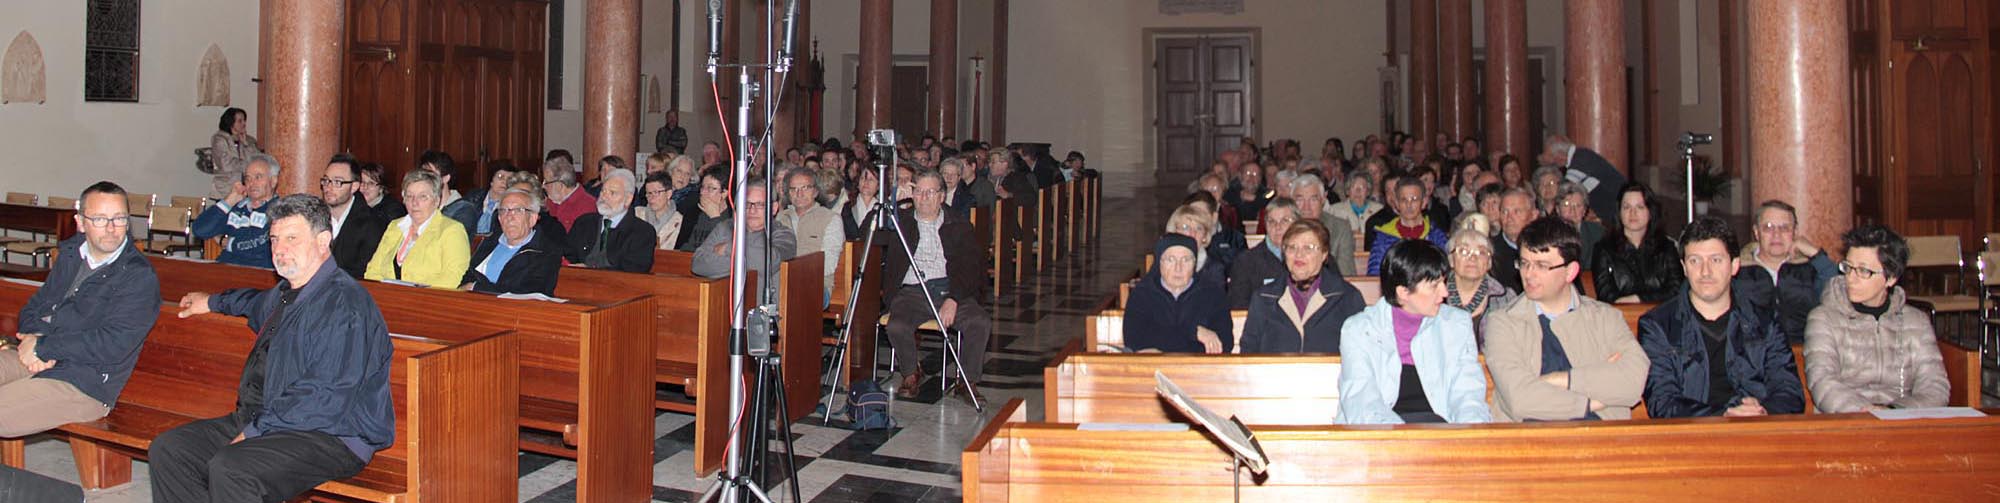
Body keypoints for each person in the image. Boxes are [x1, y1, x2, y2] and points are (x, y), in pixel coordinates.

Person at [155, 194, 394, 502]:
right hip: (273, 418)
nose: (279, 249)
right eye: (274, 239)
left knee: (233, 468)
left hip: (333, 434)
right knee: (171, 450)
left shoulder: (344, 305)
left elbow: (324, 396)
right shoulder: (286, 292)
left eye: (292, 238)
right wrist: (212, 301)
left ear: (323, 241)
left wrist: (255, 431)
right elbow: (252, 302)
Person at [4, 181, 159, 439]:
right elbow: (36, 307)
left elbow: (112, 344)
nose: (111, 228)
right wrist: (36, 339)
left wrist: (45, 347)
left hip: (85, 382)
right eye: (99, 219)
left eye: (119, 218)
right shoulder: (71, 255)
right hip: (46, 356)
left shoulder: (137, 276)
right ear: (81, 222)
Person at [1484, 217, 1648, 422]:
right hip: (1530, 437)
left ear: (1570, 272)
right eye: (1524, 263)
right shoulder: (1503, 322)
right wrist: (1589, 403)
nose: (1528, 274)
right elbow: (1520, 400)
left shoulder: (1604, 318)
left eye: (1541, 265)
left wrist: (1562, 379)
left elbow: (1634, 380)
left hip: (1600, 434)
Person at [1639, 216, 1804, 418]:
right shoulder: (1658, 325)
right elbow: (1662, 402)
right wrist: (1725, 414)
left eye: (1716, 260)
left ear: (1734, 265)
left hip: (1757, 427)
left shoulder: (1765, 322)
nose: (1705, 272)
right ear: (1684, 268)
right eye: (1695, 261)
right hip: (1692, 433)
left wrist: (1762, 411)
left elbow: (1790, 392)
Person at [1336, 240, 1492, 424]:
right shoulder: (1359, 329)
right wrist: (1405, 437)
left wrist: (1468, 433)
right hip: (1382, 433)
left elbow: (1468, 394)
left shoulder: (1456, 324)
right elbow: (1362, 401)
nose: (1445, 292)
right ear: (1403, 292)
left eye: (1443, 282)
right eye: (1434, 285)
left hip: (1442, 430)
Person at [1803, 225, 1949, 413]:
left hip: (1903, 416)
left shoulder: (1915, 321)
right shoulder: (1823, 318)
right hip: (1848, 416)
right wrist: (1866, 410)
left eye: (1864, 271)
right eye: (1848, 267)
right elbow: (1823, 382)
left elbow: (1935, 385)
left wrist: (1894, 411)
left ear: (1891, 278)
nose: (1851, 278)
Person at [878, 171, 993, 404]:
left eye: (930, 192)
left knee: (979, 322)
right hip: (912, 291)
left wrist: (954, 298)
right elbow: (869, 233)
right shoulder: (901, 221)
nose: (923, 197)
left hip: (949, 288)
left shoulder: (958, 224)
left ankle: (967, 381)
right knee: (897, 326)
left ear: (942, 196)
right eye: (919, 191)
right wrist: (890, 202)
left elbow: (970, 268)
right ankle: (911, 373)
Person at [1239, 220, 1367, 353]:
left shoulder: (1347, 297)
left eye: (1308, 248)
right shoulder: (1264, 297)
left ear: (1324, 254)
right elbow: (1248, 352)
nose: (1299, 255)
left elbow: (1363, 351)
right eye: (1292, 247)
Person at [1732, 200, 1840, 344]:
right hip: (1752, 352)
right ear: (1756, 232)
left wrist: (1815, 254)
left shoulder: (1810, 270)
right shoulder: (1736, 271)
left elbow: (1839, 291)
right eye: (1768, 227)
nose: (1776, 234)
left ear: (1795, 232)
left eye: (1784, 228)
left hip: (1804, 351)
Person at [1123, 235, 1233, 353]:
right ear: (1159, 262)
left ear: (1194, 263)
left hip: (1198, 364)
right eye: (1171, 259)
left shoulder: (1212, 294)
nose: (1178, 268)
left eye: (1186, 260)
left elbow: (1224, 342)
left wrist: (1162, 342)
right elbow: (1135, 340)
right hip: (1153, 364)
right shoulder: (1142, 294)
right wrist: (1194, 333)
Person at [364, 169, 472, 289]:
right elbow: (372, 271)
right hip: (387, 297)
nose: (414, 202)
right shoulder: (395, 226)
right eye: (409, 196)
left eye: (423, 197)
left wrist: (413, 296)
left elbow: (451, 279)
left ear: (436, 200)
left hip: (429, 299)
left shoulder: (452, 230)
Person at [692, 180, 796, 301]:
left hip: (761, 308)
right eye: (747, 204)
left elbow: (767, 262)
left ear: (773, 208)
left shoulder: (783, 235)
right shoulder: (725, 227)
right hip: (723, 304)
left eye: (760, 204)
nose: (752, 210)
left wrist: (729, 248)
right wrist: (747, 265)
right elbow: (698, 264)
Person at [1591, 182, 1683, 303]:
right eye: (1626, 207)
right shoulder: (1604, 249)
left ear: (1650, 212)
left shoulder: (1666, 247)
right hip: (1619, 313)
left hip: (1662, 312)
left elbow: (1676, 289)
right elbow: (1605, 295)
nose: (1632, 213)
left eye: (1640, 207)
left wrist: (1639, 299)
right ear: (1619, 213)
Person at [462, 189, 564, 295]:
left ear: (532, 218)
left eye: (518, 210)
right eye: (504, 210)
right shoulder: (489, 242)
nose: (509, 217)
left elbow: (526, 293)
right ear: (499, 218)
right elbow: (467, 277)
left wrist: (476, 287)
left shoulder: (546, 251)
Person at [193, 154, 281, 269]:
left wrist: (227, 243)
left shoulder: (280, 210)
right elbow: (200, 230)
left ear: (273, 181)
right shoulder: (237, 207)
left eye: (258, 177)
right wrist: (229, 201)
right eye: (247, 178)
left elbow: (260, 246)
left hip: (258, 272)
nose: (251, 183)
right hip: (224, 269)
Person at [565, 168, 657, 273]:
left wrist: (590, 272)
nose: (604, 197)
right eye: (603, 191)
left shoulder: (642, 232)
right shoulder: (583, 223)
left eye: (612, 193)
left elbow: (633, 272)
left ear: (628, 199)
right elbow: (567, 255)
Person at [1443, 214, 1515, 342]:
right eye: (1463, 251)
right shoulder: (1435, 296)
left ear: (1489, 262)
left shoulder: (1506, 299)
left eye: (1481, 252)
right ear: (1451, 260)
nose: (1472, 258)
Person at [777, 166, 846, 295]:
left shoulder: (830, 219)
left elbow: (829, 263)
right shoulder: (780, 218)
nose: (799, 194)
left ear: (815, 191)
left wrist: (796, 273)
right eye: (794, 189)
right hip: (781, 283)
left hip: (817, 284)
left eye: (805, 188)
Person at [320, 155, 387, 279]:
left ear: (354, 186)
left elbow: (362, 274)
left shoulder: (371, 224)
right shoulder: (315, 217)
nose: (328, 187)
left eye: (337, 182)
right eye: (326, 180)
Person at [1366, 178, 1450, 275]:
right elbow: (1375, 274)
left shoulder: (1436, 236)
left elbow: (1446, 270)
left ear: (1424, 202)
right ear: (1397, 203)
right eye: (1403, 200)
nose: (1408, 205)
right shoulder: (1383, 238)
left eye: (1414, 199)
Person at [1227, 198, 1298, 309]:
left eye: (1285, 221)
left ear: (1297, 224)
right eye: (1271, 221)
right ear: (1265, 225)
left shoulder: (1310, 258)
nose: (1277, 227)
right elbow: (1239, 307)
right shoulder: (1246, 262)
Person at [416, 150, 480, 239]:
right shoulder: (419, 205)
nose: (424, 179)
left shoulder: (464, 210)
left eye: (430, 174)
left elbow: (449, 239)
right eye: (423, 174)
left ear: (445, 178)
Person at [1164, 205, 1227, 288]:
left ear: (1204, 236)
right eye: (1185, 227)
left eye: (1199, 228)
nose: (1192, 233)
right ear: (1174, 231)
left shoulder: (1215, 269)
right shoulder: (1163, 261)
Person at [1489, 187, 1538, 292]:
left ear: (1533, 215)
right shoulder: (1490, 252)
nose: (1509, 218)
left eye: (1517, 212)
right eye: (1504, 212)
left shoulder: (1546, 249)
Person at [209, 107, 263, 198]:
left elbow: (258, 160)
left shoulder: (249, 140)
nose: (244, 124)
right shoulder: (219, 139)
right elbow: (226, 164)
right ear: (231, 122)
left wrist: (246, 144)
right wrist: (248, 165)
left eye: (244, 120)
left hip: (247, 189)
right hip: (226, 189)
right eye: (240, 121)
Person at [677, 167, 734, 251]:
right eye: (702, 187)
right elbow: (682, 248)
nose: (702, 192)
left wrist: (715, 217)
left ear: (725, 193)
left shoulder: (733, 218)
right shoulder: (693, 213)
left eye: (710, 188)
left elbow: (726, 250)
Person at [541, 157, 598, 231]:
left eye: (546, 182)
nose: (543, 186)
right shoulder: (553, 199)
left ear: (560, 186)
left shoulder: (588, 207)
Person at [465, 163, 519, 238]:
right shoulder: (473, 197)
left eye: (509, 179)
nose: (504, 182)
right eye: (500, 177)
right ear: (491, 181)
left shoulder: (512, 207)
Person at [635, 172, 685, 249]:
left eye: (656, 192)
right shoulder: (636, 214)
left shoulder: (680, 221)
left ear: (669, 194)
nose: (651, 198)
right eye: (649, 193)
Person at [1328, 174, 1381, 238]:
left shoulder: (1379, 210)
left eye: (1362, 187)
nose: (1358, 191)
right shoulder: (1334, 210)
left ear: (1368, 192)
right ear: (1347, 191)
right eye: (1353, 187)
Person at [842, 165, 884, 239]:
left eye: (871, 179)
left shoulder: (883, 210)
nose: (866, 182)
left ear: (878, 186)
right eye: (863, 178)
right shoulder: (847, 208)